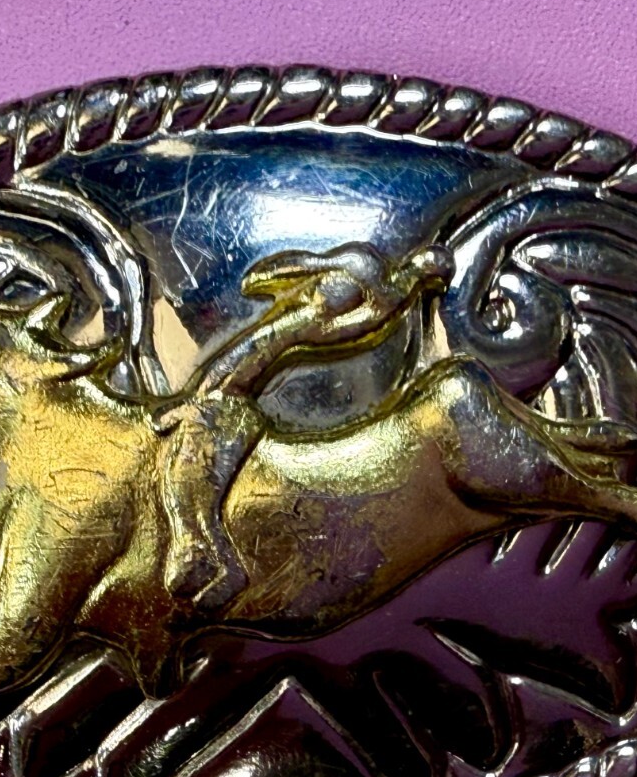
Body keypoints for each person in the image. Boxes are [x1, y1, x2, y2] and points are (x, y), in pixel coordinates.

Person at [155, 242, 455, 609]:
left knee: (193, 462)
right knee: (195, 462)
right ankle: (199, 556)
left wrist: (296, 299)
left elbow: (308, 276)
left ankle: (210, 560)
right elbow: (307, 269)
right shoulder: (379, 292)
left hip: (252, 377)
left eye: (427, 271)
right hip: (259, 364)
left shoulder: (379, 293)